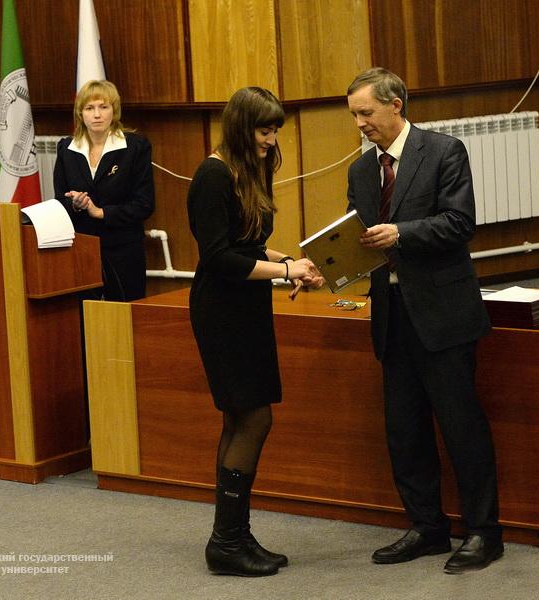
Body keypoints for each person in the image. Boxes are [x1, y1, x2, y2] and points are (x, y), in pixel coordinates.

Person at [345, 67, 502, 574]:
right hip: (392, 318)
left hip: (444, 316)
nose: (360, 125)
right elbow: (358, 236)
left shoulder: (443, 151)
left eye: (366, 113)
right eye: (354, 116)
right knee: (405, 430)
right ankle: (427, 527)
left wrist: (401, 235)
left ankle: (484, 532)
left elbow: (460, 224)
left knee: (462, 428)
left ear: (395, 104)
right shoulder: (360, 171)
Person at [187, 86, 323, 577]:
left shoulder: (247, 171)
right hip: (222, 310)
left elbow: (251, 244)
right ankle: (227, 541)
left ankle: (233, 536)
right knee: (254, 418)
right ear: (243, 127)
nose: (271, 139)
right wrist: (286, 274)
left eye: (275, 130)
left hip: (246, 308)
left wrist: (289, 261)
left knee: (241, 419)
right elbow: (219, 257)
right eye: (265, 130)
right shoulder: (212, 174)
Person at [54, 79, 155, 301]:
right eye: (90, 108)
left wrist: (101, 212)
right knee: (83, 316)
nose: (97, 114)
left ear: (114, 111)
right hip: (82, 247)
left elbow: (144, 204)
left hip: (123, 247)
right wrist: (75, 203)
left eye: (103, 107)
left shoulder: (134, 147)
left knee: (123, 316)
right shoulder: (67, 148)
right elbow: (59, 200)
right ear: (80, 113)